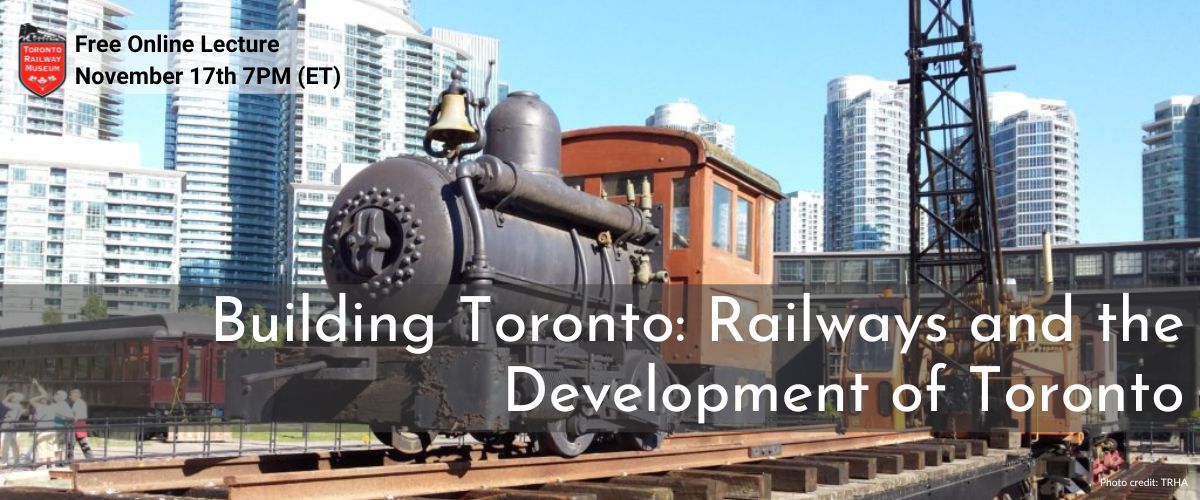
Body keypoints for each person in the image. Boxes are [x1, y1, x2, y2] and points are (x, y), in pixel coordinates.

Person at [67, 389, 93, 460]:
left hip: (77, 425)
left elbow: (77, 415)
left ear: (76, 395)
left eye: (71, 395)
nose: (70, 397)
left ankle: (70, 460)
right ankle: (90, 459)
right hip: (78, 425)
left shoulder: (79, 403)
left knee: (72, 444)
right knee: (79, 443)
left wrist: (71, 420)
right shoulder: (79, 403)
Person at [1, 391, 23, 465]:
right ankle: (16, 460)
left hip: (10, 425)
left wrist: (10, 395)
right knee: (12, 443)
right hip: (10, 425)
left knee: (7, 442)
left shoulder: (16, 405)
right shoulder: (14, 405)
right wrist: (10, 395)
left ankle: (4, 460)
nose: (12, 398)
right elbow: (3, 403)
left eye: (13, 397)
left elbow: (3, 403)